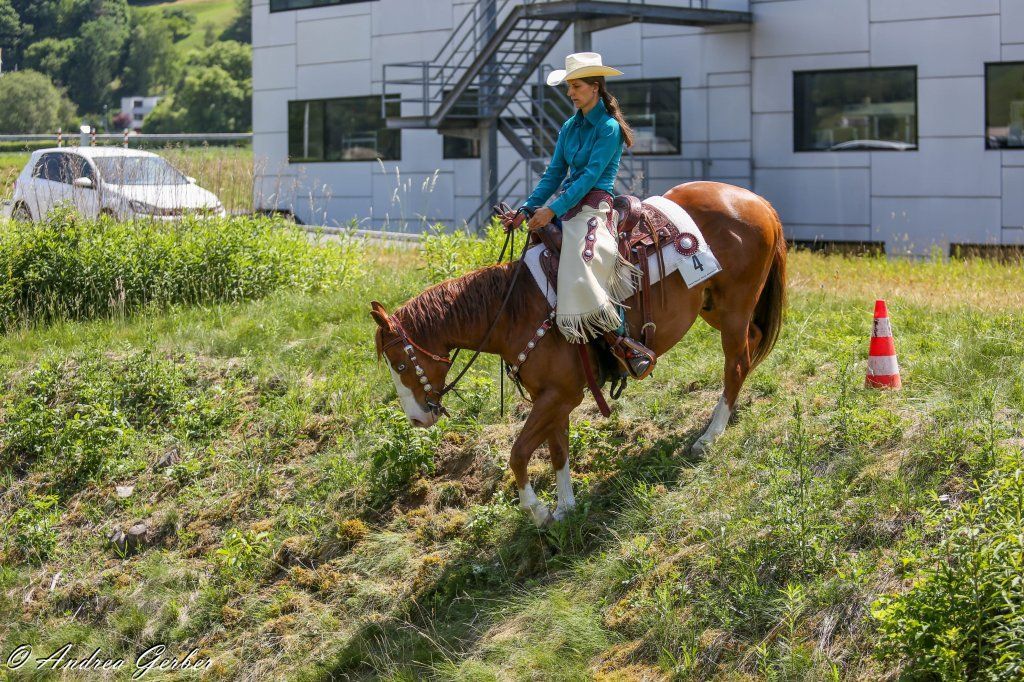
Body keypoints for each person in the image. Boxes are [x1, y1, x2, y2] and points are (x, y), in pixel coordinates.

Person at [511, 52, 656, 380]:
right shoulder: (568, 127)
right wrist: (528, 208)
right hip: (566, 204)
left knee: (582, 261)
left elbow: (590, 176)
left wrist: (552, 210)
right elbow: (553, 174)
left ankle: (622, 341)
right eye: (568, 87)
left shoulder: (608, 128)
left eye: (576, 86)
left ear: (595, 87)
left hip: (595, 205)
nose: (570, 92)